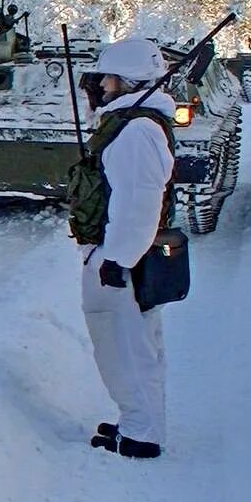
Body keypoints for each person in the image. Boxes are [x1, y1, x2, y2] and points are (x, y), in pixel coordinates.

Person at [73, 38, 176, 460]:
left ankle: (140, 434)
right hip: (125, 254)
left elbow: (137, 204)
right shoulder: (135, 125)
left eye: (107, 77)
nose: (101, 85)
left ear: (126, 81)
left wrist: (115, 262)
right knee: (136, 346)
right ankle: (139, 421)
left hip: (120, 260)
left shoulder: (135, 132)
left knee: (122, 348)